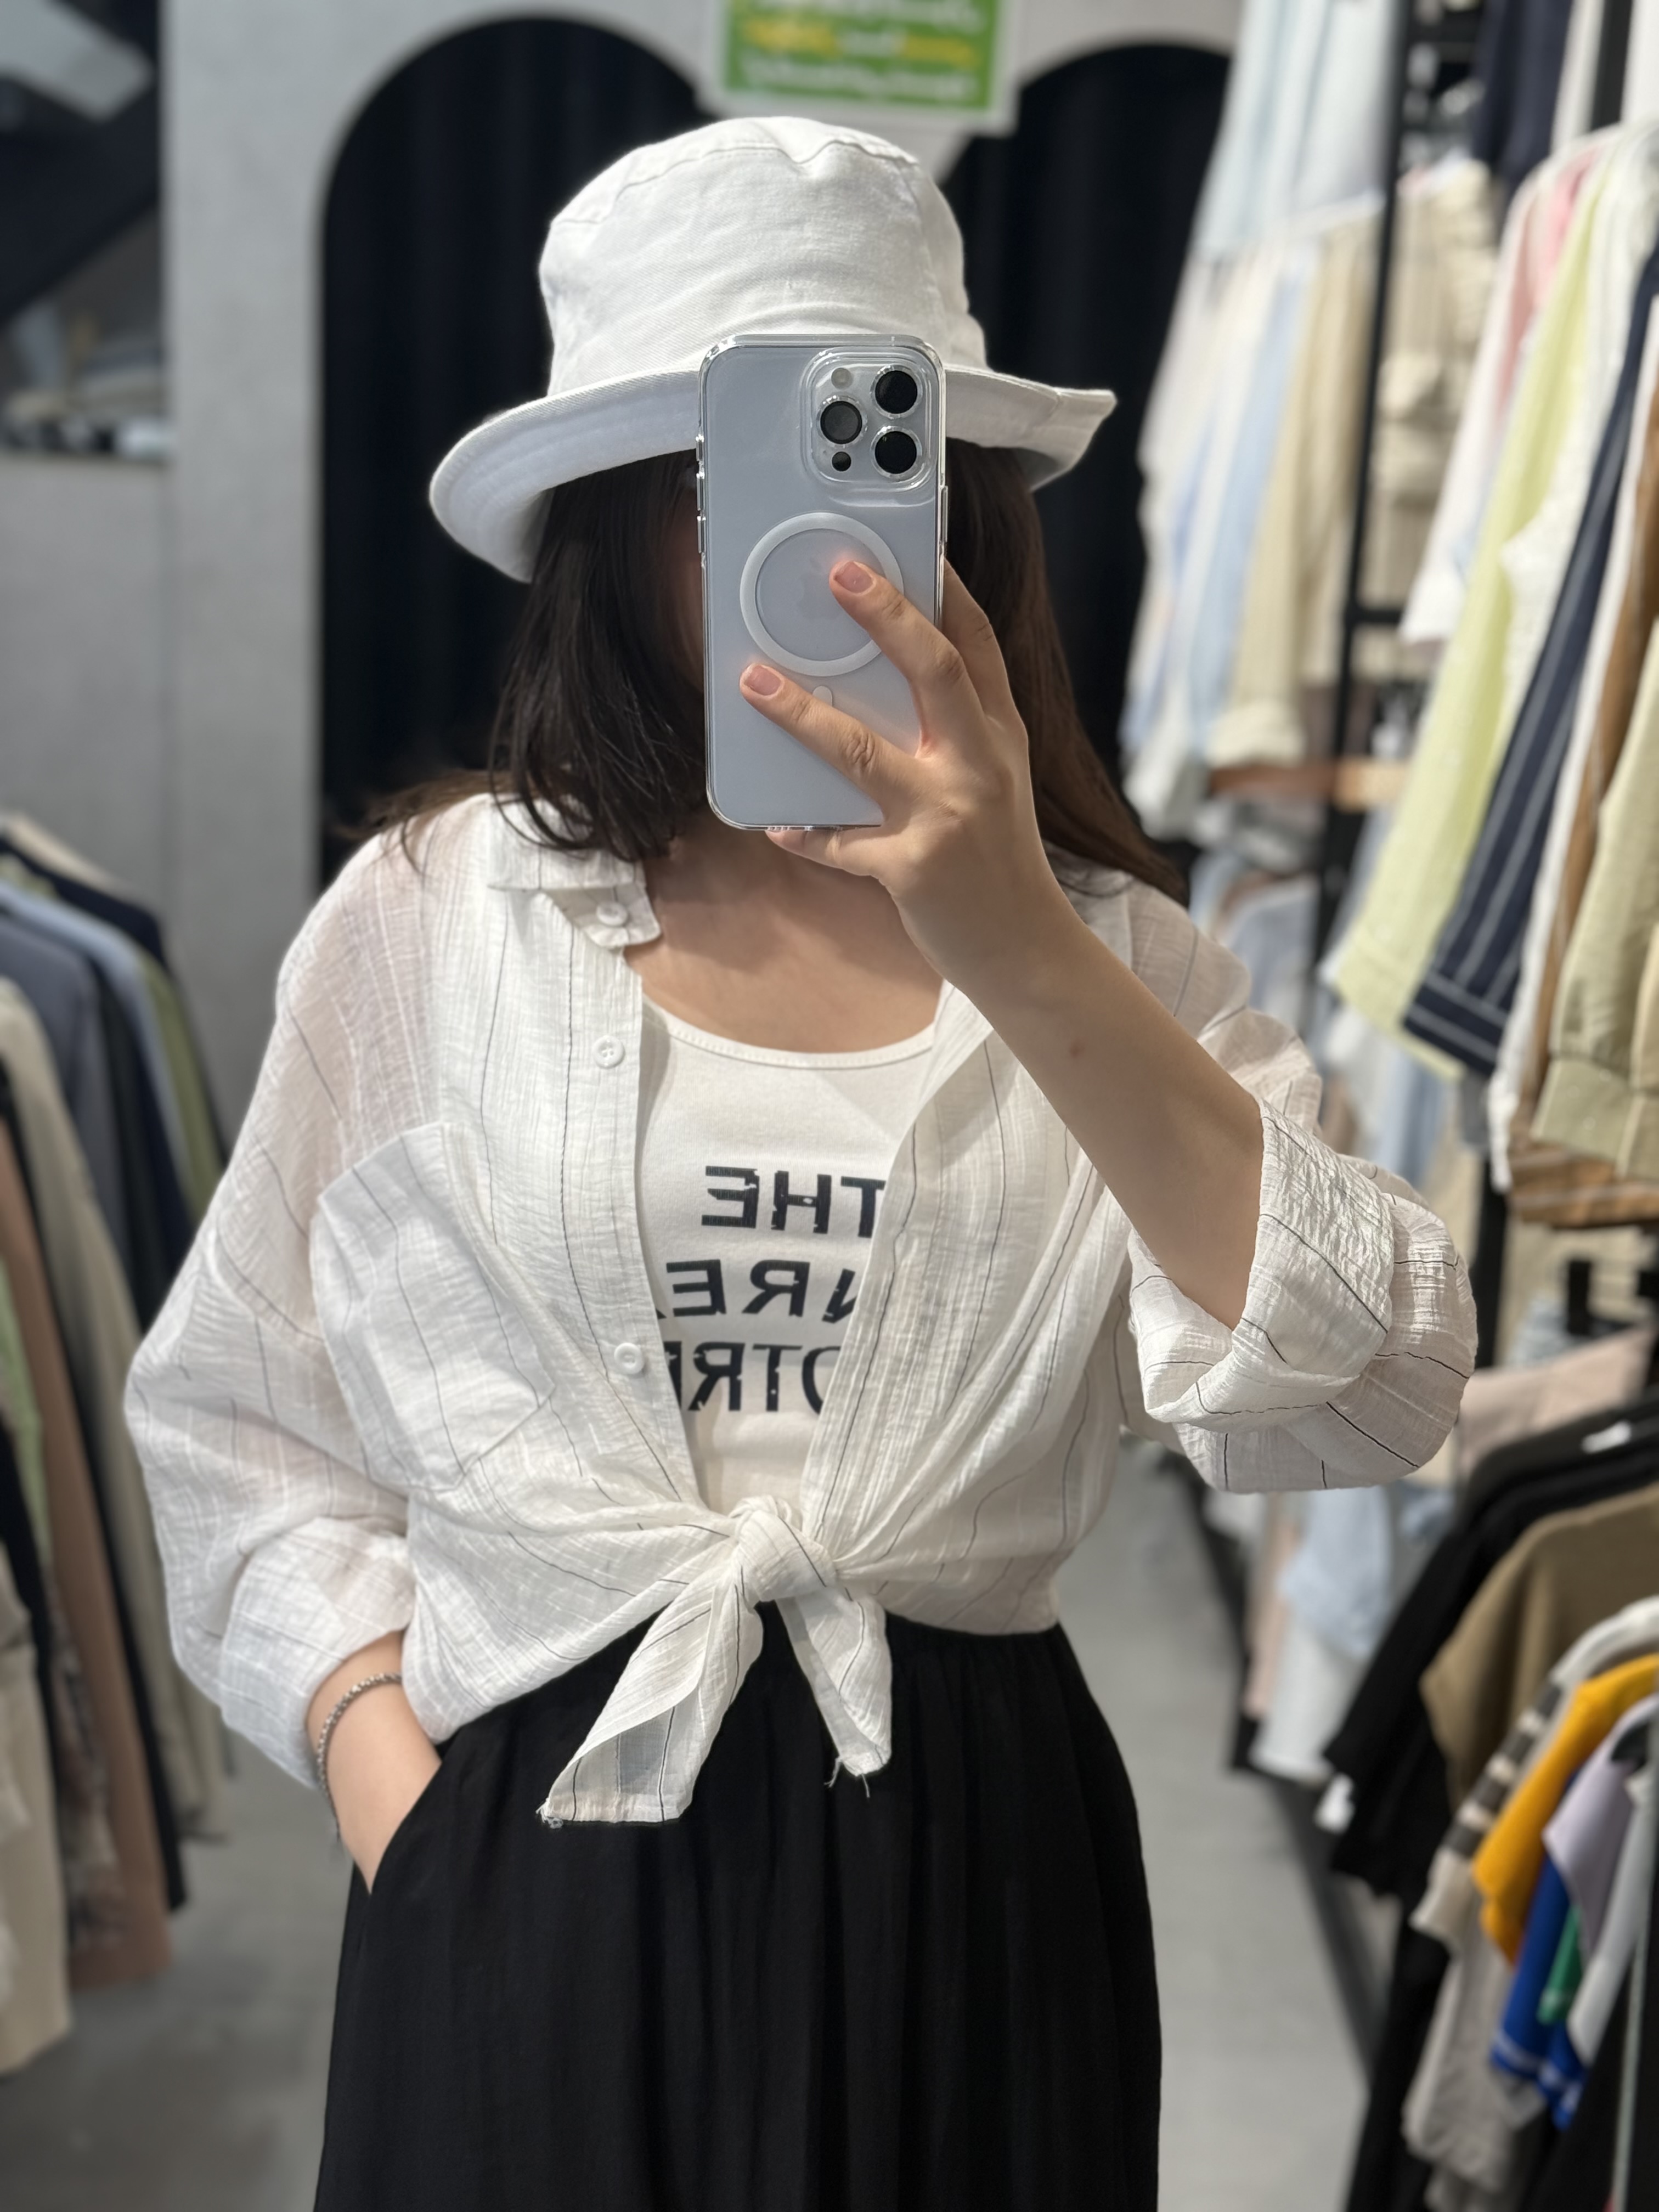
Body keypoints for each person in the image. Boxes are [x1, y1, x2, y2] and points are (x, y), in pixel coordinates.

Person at [127, 119, 1475, 2211]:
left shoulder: (1120, 965)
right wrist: (400, 1790)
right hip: (522, 1865)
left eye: (873, 466)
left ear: (966, 506)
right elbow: (240, 1413)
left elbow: (1376, 1385)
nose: (808, 550)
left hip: (976, 1885)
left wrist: (1018, 937)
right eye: (713, 480)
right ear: (602, 529)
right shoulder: (437, 919)